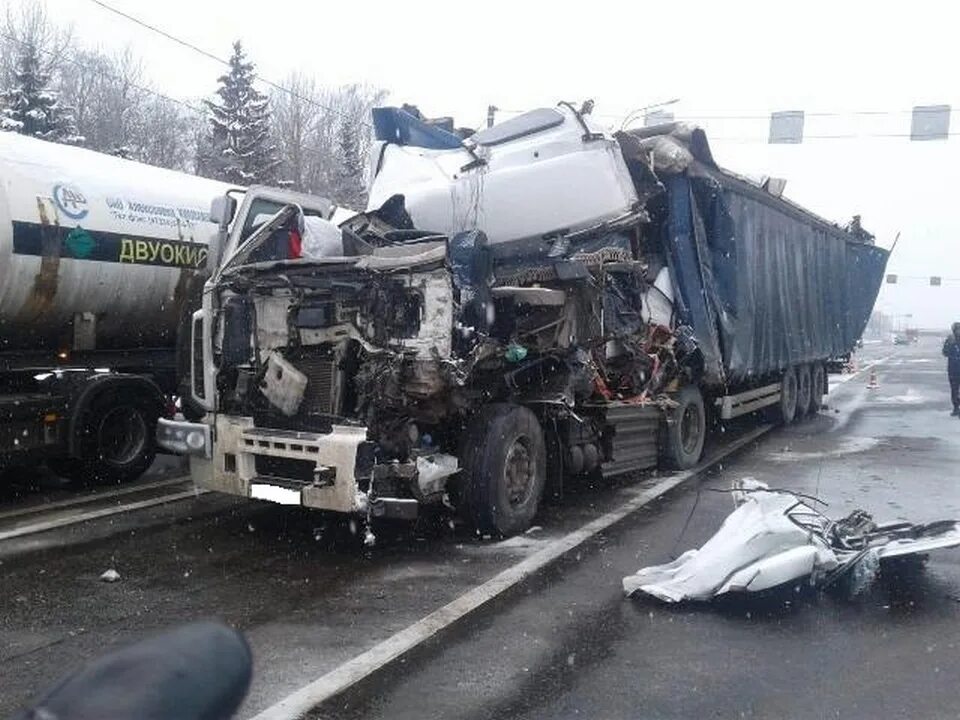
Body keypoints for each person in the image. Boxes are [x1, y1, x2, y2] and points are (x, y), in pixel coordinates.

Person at [942, 322, 960, 415]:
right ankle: (956, 407)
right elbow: (945, 352)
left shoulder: (950, 339)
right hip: (953, 369)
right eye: (957, 329)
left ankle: (957, 407)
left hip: (953, 368)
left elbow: (945, 353)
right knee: (954, 389)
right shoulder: (950, 340)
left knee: (954, 389)